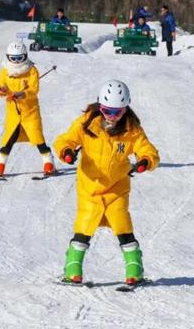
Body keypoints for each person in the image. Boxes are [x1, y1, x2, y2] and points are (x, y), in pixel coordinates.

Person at [54, 80, 159, 286]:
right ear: (100, 106)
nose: (112, 116)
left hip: (117, 188)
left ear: (126, 108)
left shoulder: (132, 130)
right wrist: (66, 151)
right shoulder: (86, 123)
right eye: (107, 111)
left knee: (123, 227)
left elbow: (148, 150)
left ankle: (134, 271)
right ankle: (73, 270)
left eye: (117, 112)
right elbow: (65, 140)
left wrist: (145, 162)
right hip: (90, 188)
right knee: (83, 228)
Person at [0, 42, 55, 177]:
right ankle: (0, 164)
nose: (16, 61)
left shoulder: (32, 70)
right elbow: (0, 85)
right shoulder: (5, 70)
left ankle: (48, 162)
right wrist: (2, 90)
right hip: (13, 112)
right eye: (13, 58)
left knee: (37, 136)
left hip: (30, 111)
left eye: (19, 58)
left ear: (25, 56)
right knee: (9, 138)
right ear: (8, 57)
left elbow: (34, 89)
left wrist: (23, 94)